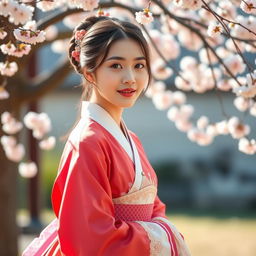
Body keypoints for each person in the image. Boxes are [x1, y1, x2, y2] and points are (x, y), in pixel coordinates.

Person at [23, 15, 191, 256]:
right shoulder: (88, 142)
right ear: (89, 72)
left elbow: (154, 207)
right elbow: (90, 239)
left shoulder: (130, 138)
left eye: (139, 65)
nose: (130, 78)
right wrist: (157, 235)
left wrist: (159, 230)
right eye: (116, 65)